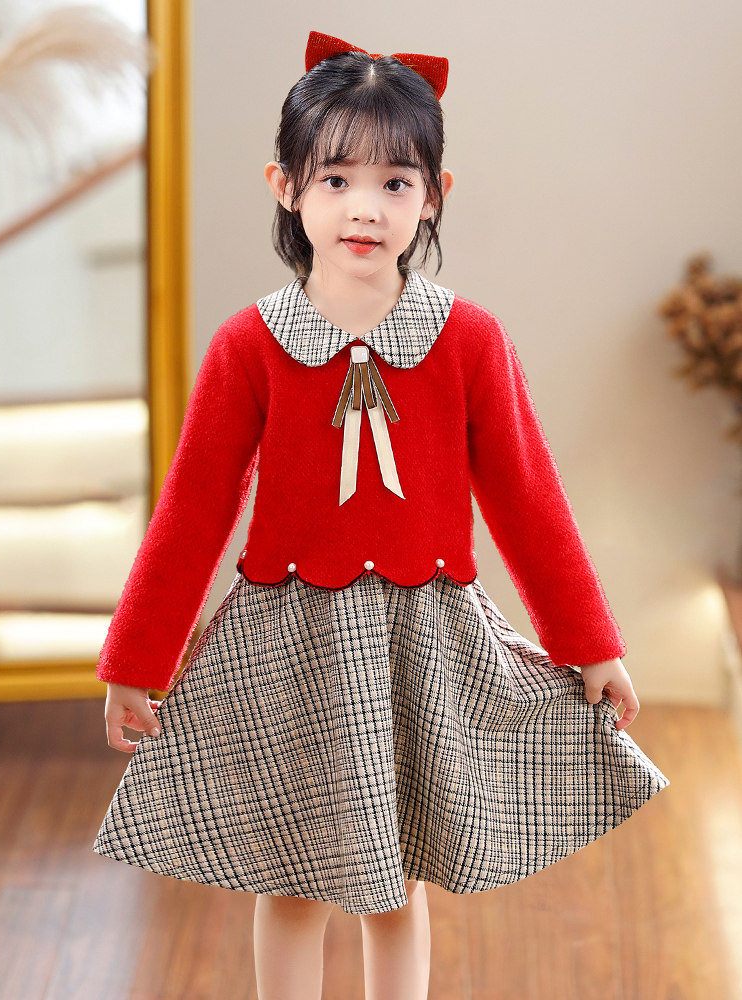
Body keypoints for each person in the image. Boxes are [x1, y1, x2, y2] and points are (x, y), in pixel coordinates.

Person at [93, 29, 670, 1000]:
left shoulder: (470, 340)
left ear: (434, 195)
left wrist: (591, 645)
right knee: (290, 879)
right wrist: (135, 661)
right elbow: (194, 509)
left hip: (423, 639)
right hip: (288, 644)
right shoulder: (249, 346)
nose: (365, 206)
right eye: (336, 179)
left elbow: (529, 499)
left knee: (397, 881)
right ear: (286, 187)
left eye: (395, 182)